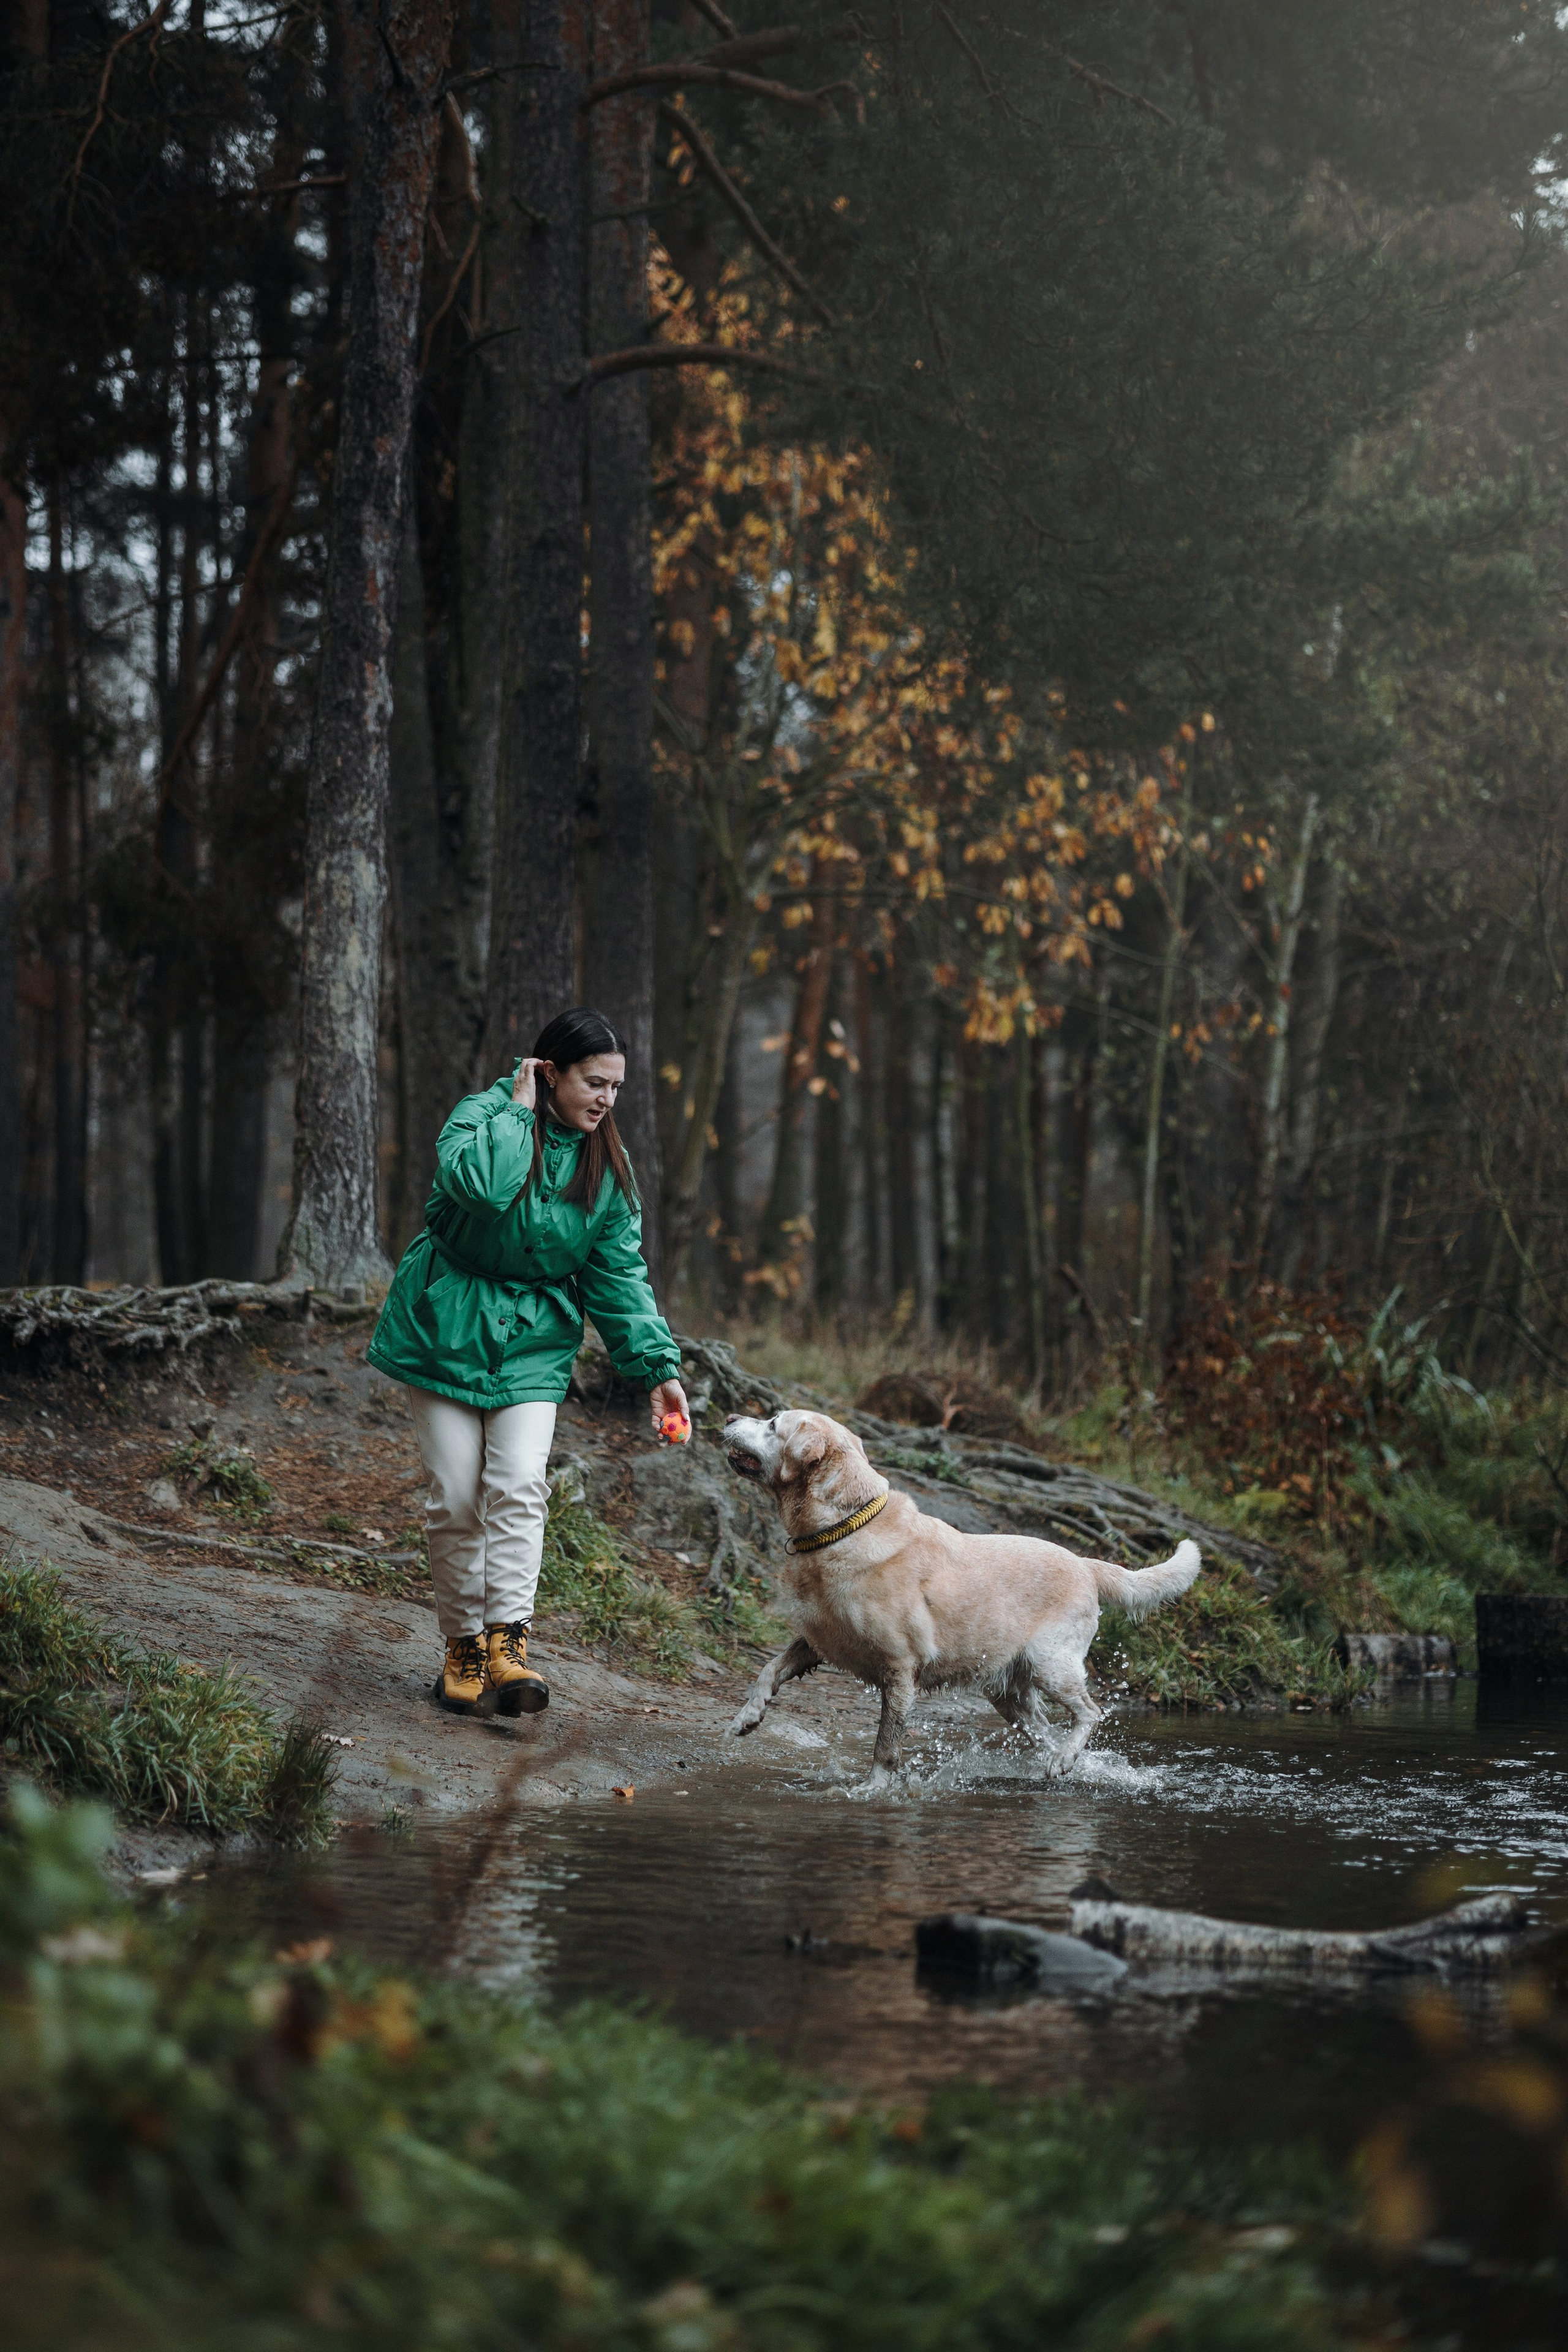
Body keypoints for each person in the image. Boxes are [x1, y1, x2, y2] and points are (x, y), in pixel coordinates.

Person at [368, 1008, 689, 1716]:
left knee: (517, 1486)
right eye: (594, 1083)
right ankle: (463, 1651)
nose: (607, 1101)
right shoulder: (480, 1117)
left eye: (617, 1088)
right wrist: (517, 1113)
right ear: (549, 1073)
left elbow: (618, 1274)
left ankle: (509, 1650)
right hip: (442, 1328)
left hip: (535, 1343)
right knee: (455, 1498)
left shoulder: (607, 1162)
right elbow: (482, 1192)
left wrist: (657, 1369)